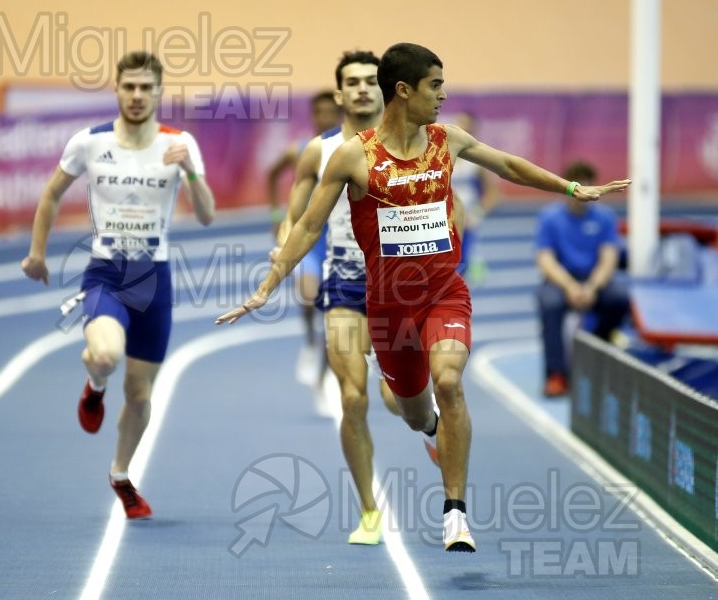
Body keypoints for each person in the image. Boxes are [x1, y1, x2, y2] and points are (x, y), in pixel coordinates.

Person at [217, 42, 630, 552]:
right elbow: (306, 225)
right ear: (405, 90)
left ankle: (454, 512)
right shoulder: (352, 156)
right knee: (411, 409)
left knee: (450, 380)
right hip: (386, 307)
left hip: (443, 294)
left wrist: (569, 188)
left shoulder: (446, 139)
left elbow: (507, 165)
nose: (444, 94)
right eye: (435, 85)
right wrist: (266, 287)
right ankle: (431, 427)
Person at [21, 51, 216, 519]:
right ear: (117, 89)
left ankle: (121, 475)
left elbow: (208, 215)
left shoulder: (180, 142)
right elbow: (51, 193)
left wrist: (189, 170)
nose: (136, 96)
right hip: (107, 273)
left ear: (158, 92)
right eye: (129, 87)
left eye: (146, 88)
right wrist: (37, 254)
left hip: (154, 280)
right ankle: (94, 382)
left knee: (140, 394)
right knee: (106, 354)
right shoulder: (89, 142)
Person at [275, 50, 408, 545]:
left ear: (388, 88)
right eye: (351, 82)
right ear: (338, 95)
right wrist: (284, 246)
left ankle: (431, 421)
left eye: (370, 81)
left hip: (400, 288)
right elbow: (297, 214)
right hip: (345, 285)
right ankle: (369, 511)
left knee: (398, 401)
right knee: (352, 398)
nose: (360, 89)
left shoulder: (410, 147)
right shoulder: (319, 151)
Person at [267, 91, 343, 390]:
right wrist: (276, 215)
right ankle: (311, 342)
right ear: (312, 115)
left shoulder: (349, 151)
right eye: (319, 112)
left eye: (330, 112)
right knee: (309, 299)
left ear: (339, 115)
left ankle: (325, 376)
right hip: (308, 237)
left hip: (338, 239)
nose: (325, 118)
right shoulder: (298, 151)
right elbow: (272, 175)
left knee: (332, 313)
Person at [535, 161, 629, 397]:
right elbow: (546, 260)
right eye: (577, 184)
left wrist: (592, 288)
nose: (582, 190)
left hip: (593, 280)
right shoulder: (550, 218)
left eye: (587, 183)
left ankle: (594, 353)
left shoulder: (605, 218)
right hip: (562, 280)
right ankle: (556, 374)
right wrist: (570, 286)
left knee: (619, 299)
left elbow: (609, 258)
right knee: (549, 303)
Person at [449, 111, 500, 280]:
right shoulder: (444, 155)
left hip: (468, 220)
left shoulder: (477, 160)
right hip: (444, 217)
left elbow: (493, 192)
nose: (462, 129)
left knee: (461, 266)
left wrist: (477, 213)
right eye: (459, 126)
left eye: (466, 127)